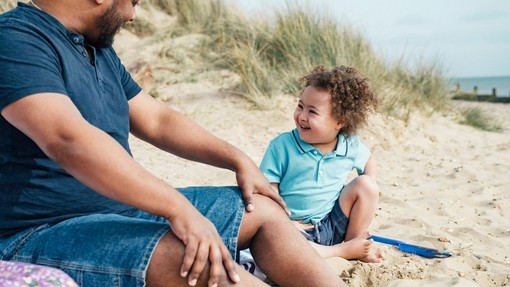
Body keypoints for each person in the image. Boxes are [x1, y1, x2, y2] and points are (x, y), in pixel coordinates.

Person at [0, 1, 347, 286]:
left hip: (118, 210)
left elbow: (157, 120)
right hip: (39, 230)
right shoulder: (16, 39)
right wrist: (177, 208)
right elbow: (67, 140)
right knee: (196, 261)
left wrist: (236, 159)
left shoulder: (97, 49)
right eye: (133, 2)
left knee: (263, 210)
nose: (133, 15)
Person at [259, 65, 383, 263]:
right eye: (300, 106)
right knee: (281, 247)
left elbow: (369, 160)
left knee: (367, 185)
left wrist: (367, 198)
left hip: (332, 224)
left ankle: (354, 243)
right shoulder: (282, 146)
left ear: (340, 121)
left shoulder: (349, 144)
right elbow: (267, 190)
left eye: (312, 112)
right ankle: (343, 251)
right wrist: (284, 221)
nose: (302, 116)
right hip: (295, 229)